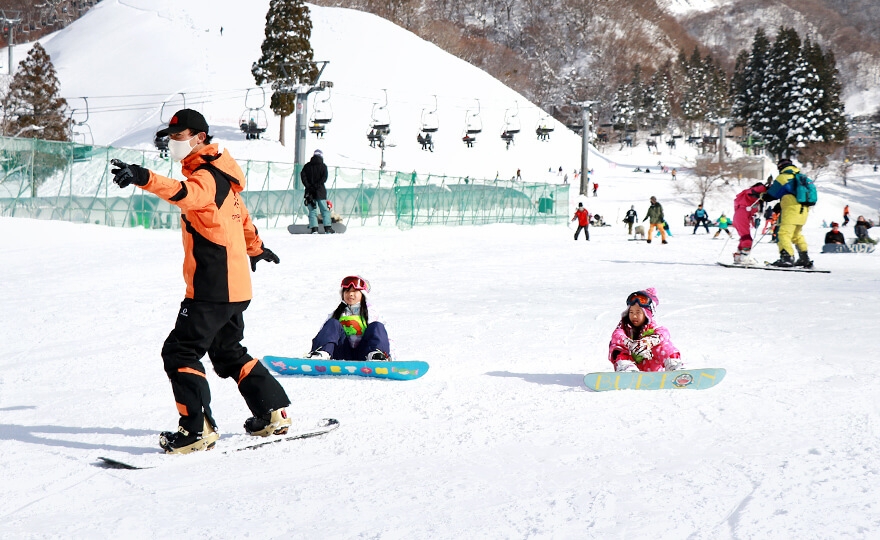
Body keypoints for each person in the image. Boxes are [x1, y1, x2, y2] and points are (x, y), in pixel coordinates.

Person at [110, 109, 289, 454]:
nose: (174, 142)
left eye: (181, 136)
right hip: (234, 288)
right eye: (172, 136)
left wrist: (142, 176)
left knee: (179, 351)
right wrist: (255, 249)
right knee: (228, 351)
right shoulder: (224, 177)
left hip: (212, 286)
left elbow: (184, 194)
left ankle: (196, 429)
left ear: (200, 138)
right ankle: (271, 412)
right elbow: (242, 219)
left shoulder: (206, 177)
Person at [305, 276, 391, 361]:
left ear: (363, 294)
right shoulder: (338, 313)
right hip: (342, 352)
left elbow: (382, 336)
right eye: (347, 291)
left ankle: (377, 356)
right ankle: (321, 354)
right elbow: (325, 334)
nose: (350, 294)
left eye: (355, 291)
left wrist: (391, 357)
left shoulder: (371, 312)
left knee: (377, 326)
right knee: (332, 323)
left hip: (365, 353)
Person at [607, 288, 683, 372]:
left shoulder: (652, 327)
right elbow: (616, 335)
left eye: (638, 312)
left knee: (664, 344)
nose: (634, 316)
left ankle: (674, 366)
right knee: (616, 346)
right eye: (631, 312)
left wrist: (650, 341)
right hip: (633, 363)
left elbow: (664, 332)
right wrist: (629, 343)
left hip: (651, 367)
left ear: (647, 314)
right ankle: (626, 369)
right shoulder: (624, 327)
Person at [762, 158, 812, 267]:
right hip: (803, 210)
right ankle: (804, 259)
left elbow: (772, 194)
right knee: (796, 235)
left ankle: (787, 258)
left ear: (780, 167)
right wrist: (780, 204)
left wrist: (763, 196)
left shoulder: (783, 177)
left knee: (783, 233)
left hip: (791, 210)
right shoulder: (801, 177)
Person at [732, 181, 769, 262]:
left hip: (741, 215)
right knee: (747, 238)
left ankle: (738, 256)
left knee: (744, 237)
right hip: (742, 215)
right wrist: (766, 187)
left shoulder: (748, 196)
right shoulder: (749, 192)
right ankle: (745, 257)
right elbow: (755, 190)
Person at [301, 149, 334, 234]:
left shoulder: (307, 166)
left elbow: (303, 177)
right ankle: (327, 228)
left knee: (312, 210)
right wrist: (317, 186)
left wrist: (309, 186)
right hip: (320, 192)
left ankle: (314, 228)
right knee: (324, 210)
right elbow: (324, 178)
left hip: (309, 192)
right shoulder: (323, 166)